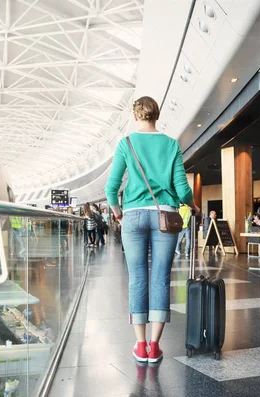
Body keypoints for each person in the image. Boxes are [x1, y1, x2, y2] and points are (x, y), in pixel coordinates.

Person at [104, 96, 199, 363]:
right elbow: (182, 189)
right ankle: (155, 347)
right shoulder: (171, 145)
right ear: (158, 115)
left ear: (136, 117)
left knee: (137, 278)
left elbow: (111, 188)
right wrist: (194, 205)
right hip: (165, 217)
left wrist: (118, 214)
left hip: (132, 216)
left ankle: (140, 344)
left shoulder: (126, 144)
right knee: (160, 278)